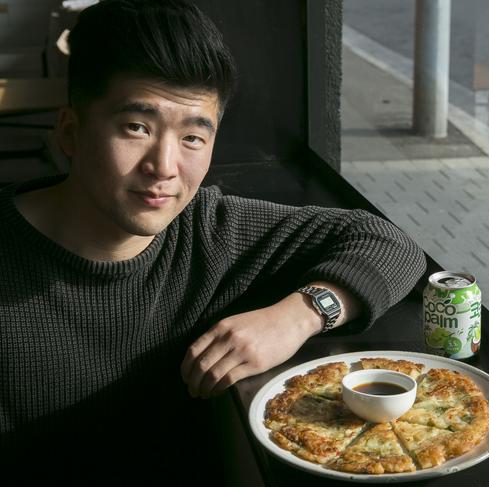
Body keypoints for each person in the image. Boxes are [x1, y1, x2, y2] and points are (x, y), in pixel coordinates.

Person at [0, 0, 426, 483]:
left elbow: (387, 241)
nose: (164, 167)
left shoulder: (209, 229)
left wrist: (298, 316)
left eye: (193, 138)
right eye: (136, 127)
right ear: (71, 132)